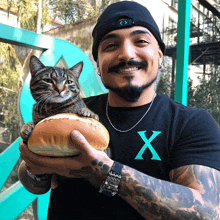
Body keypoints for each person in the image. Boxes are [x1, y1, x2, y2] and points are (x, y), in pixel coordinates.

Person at [19, 1, 220, 219]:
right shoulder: (67, 112)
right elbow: (36, 184)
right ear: (98, 64)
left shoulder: (192, 123)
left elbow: (206, 212)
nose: (126, 54)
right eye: (111, 46)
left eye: (140, 41)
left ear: (160, 55)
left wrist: (108, 172)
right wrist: (33, 168)